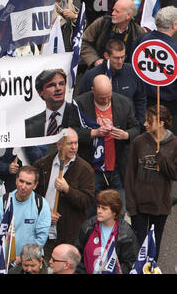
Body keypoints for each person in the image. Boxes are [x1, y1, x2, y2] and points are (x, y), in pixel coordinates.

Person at [69, 74, 140, 218]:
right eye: (102, 97)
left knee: (118, 213)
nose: (106, 100)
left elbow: (136, 128)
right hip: (92, 169)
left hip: (117, 168)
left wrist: (125, 135)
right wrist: (93, 133)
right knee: (90, 213)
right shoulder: (80, 104)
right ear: (93, 90)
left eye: (109, 96)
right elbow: (70, 130)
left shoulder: (124, 103)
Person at [33, 128, 95, 260]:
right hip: (42, 231)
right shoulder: (42, 164)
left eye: (76, 143)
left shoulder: (85, 169)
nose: (73, 147)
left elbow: (87, 201)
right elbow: (32, 196)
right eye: (69, 143)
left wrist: (68, 190)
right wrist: (44, 214)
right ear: (58, 145)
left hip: (68, 234)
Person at [125, 105, 177, 259]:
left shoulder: (174, 144)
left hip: (160, 205)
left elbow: (175, 174)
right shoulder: (139, 141)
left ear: (161, 122)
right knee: (138, 248)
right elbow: (130, 174)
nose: (145, 124)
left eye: (149, 121)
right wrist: (131, 205)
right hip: (139, 205)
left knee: (153, 249)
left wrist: (163, 161)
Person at [79, 38, 146, 126]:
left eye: (123, 57)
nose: (120, 61)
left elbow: (141, 98)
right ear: (106, 56)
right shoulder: (91, 76)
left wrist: (139, 124)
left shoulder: (132, 72)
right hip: (100, 130)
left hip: (128, 129)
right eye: (116, 58)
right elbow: (81, 103)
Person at [133, 6, 177, 134]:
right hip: (167, 106)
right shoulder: (174, 49)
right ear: (174, 26)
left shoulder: (140, 40)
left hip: (141, 103)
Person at [74, 189, 138, 274]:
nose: (99, 211)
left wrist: (112, 271)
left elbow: (130, 263)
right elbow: (77, 253)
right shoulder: (88, 227)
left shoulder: (126, 233)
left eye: (104, 208)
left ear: (114, 211)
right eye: (98, 207)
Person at [0, 166, 52, 257]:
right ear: (16, 180)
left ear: (35, 185)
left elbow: (42, 237)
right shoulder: (3, 201)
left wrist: (23, 258)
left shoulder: (41, 204)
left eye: (28, 183)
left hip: (31, 261)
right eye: (21, 181)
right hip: (5, 259)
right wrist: (10, 257)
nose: (23, 186)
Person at [81, 0, 146, 69]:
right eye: (113, 10)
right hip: (99, 70)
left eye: (117, 12)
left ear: (128, 16)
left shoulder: (138, 32)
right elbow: (83, 41)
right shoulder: (102, 23)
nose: (112, 13)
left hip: (125, 73)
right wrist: (95, 60)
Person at [24, 69, 76, 139]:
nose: (58, 88)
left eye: (61, 84)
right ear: (40, 92)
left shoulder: (77, 112)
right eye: (51, 85)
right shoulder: (30, 125)